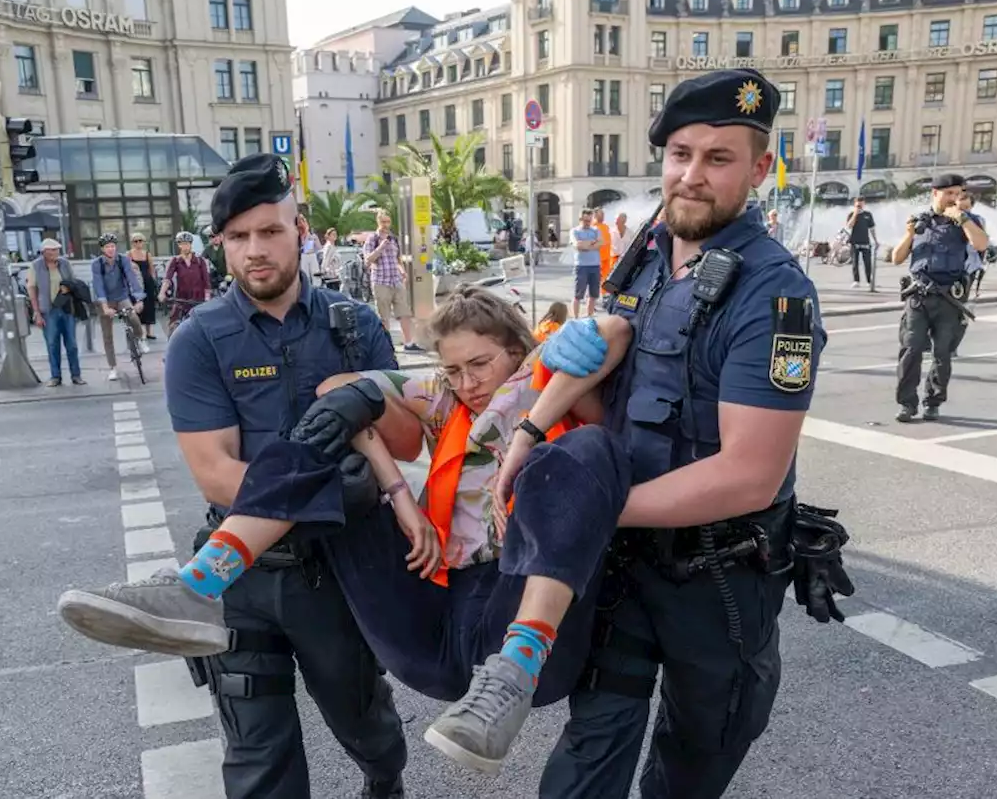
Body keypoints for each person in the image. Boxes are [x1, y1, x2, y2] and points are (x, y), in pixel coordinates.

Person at [58, 283, 637, 775]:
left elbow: (613, 333)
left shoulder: (542, 379)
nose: (467, 383)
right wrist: (398, 494)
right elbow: (335, 392)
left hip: (519, 612)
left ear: (516, 350)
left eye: (480, 365)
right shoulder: (441, 400)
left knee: (591, 446)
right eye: (453, 369)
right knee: (338, 432)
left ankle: (514, 672)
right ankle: (202, 585)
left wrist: (527, 438)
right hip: (433, 623)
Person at [536, 67, 846, 799]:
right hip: (621, 570)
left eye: (718, 158)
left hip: (719, 584)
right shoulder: (645, 256)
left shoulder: (779, 297)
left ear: (761, 167)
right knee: (584, 769)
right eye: (681, 154)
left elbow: (749, 475)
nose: (692, 176)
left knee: (689, 772)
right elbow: (616, 410)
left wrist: (594, 504)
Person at [64, 155, 412, 798]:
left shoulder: (354, 325)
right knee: (259, 762)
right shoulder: (201, 339)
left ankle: (384, 782)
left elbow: (410, 439)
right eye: (239, 237)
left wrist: (362, 394)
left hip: (341, 574)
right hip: (247, 580)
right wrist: (343, 489)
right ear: (220, 243)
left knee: (367, 726)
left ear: (300, 231)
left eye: (270, 232)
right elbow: (217, 476)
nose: (256, 250)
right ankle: (195, 589)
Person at [891, 173, 989, 422]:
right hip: (919, 296)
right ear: (935, 193)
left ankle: (932, 402)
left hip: (948, 298)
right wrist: (910, 234)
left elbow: (980, 244)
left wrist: (964, 219)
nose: (955, 199)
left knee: (942, 354)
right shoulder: (920, 222)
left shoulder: (967, 221)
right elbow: (896, 258)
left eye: (959, 194)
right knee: (911, 350)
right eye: (950, 194)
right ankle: (907, 404)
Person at [26, 238, 85, 387]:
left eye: (57, 250)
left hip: (66, 308)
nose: (55, 253)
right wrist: (36, 312)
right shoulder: (35, 266)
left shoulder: (65, 263)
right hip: (48, 310)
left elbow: (74, 282)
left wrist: (70, 287)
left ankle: (76, 375)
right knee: (52, 344)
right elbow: (32, 289)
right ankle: (55, 376)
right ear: (44, 252)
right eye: (52, 250)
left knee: (72, 344)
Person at [89, 233, 146, 382]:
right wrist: (105, 307)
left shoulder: (123, 260)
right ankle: (113, 368)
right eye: (107, 247)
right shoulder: (97, 264)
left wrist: (139, 299)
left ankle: (140, 338)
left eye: (113, 246)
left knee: (133, 315)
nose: (111, 249)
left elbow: (131, 279)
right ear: (102, 249)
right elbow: (98, 286)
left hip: (121, 296)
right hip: (105, 301)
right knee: (107, 336)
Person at [364, 209, 422, 352]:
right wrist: (381, 247)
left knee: (404, 313)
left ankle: (408, 343)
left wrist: (402, 272)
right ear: (378, 222)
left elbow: (397, 259)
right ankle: (387, 345)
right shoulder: (373, 239)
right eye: (383, 222)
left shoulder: (393, 238)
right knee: (384, 316)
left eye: (388, 222)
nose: (386, 225)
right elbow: (368, 260)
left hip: (395, 280)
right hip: (380, 281)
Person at [950, 192, 989, 357]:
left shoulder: (977, 220)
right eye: (961, 205)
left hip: (968, 270)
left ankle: (952, 345)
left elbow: (982, 242)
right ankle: (940, 343)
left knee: (960, 309)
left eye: (968, 206)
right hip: (949, 269)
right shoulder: (946, 219)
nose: (965, 210)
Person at [158, 231, 211, 335]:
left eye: (187, 243)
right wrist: (162, 292)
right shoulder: (176, 261)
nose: (185, 246)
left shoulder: (200, 261)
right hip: (181, 298)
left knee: (203, 324)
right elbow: (167, 279)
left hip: (197, 299)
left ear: (191, 244)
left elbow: (206, 282)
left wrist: (207, 298)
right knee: (173, 323)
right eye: (182, 244)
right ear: (179, 245)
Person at [127, 232, 158, 346]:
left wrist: (154, 281)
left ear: (144, 242)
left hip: (147, 282)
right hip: (136, 283)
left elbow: (151, 269)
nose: (138, 243)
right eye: (135, 241)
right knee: (138, 307)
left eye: (140, 240)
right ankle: (141, 332)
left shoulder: (147, 254)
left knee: (149, 306)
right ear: (132, 242)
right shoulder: (129, 254)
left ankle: (149, 331)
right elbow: (127, 269)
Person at [570, 209, 601, 318]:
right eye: (585, 221)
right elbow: (577, 245)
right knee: (578, 294)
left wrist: (585, 245)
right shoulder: (575, 231)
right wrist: (592, 243)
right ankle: (576, 317)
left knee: (593, 294)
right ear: (580, 219)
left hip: (595, 265)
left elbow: (600, 244)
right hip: (581, 266)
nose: (588, 223)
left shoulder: (596, 230)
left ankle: (589, 316)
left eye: (589, 220)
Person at [845, 196, 878, 288]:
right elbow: (849, 226)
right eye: (857, 205)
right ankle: (856, 280)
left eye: (861, 204)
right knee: (855, 262)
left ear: (864, 204)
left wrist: (875, 240)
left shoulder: (868, 214)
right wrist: (855, 215)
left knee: (867, 262)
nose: (859, 206)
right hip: (854, 242)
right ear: (854, 205)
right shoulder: (851, 214)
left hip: (865, 241)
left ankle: (869, 281)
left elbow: (872, 228)